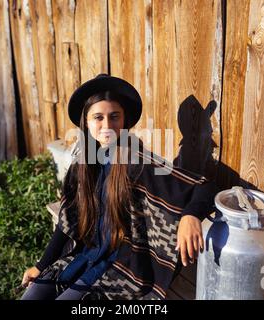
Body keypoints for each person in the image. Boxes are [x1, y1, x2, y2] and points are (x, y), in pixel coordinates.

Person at [20, 74, 218, 300]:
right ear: (86, 121)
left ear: (125, 121)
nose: (107, 126)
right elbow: (66, 221)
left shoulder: (138, 164)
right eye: (98, 117)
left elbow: (204, 187)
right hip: (84, 255)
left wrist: (191, 216)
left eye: (114, 117)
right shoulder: (83, 166)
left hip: (120, 266)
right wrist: (40, 265)